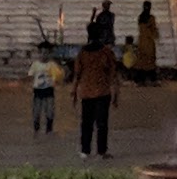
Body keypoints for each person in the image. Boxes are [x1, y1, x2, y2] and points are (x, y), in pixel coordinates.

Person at [72, 22, 121, 158]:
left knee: (86, 123)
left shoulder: (82, 53)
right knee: (102, 123)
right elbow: (113, 74)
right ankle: (101, 151)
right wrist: (116, 95)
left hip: (86, 92)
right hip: (102, 92)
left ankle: (85, 150)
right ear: (101, 34)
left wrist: (74, 92)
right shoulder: (106, 52)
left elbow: (77, 74)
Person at [28, 40, 64, 135]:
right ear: (39, 53)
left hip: (49, 89)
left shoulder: (52, 65)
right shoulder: (35, 65)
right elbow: (30, 76)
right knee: (37, 110)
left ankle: (49, 128)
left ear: (50, 54)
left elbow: (59, 75)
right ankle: (36, 127)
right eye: (42, 53)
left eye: (47, 53)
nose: (44, 55)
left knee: (49, 110)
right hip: (38, 90)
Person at [134, 0, 159, 83]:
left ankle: (141, 79)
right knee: (150, 60)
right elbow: (153, 31)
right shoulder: (151, 18)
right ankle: (151, 79)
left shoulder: (140, 17)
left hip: (142, 41)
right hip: (149, 42)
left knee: (141, 60)